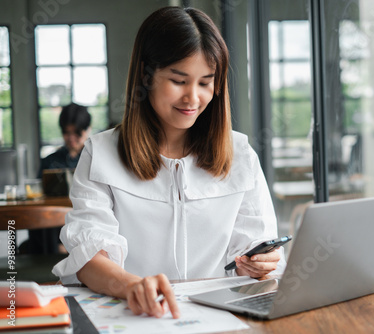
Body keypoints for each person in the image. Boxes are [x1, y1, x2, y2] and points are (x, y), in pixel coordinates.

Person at [52, 6, 285, 320]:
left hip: (223, 317)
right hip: (137, 316)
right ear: (147, 75)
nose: (193, 98)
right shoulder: (101, 152)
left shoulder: (240, 153)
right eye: (179, 80)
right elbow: (88, 256)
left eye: (205, 83)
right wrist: (132, 285)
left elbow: (257, 245)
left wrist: (260, 262)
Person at [22, 103, 91, 255]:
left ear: (88, 130)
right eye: (67, 133)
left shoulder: (96, 161)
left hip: (86, 225)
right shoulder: (49, 161)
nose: (71, 138)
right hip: (54, 230)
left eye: (77, 133)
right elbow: (38, 197)